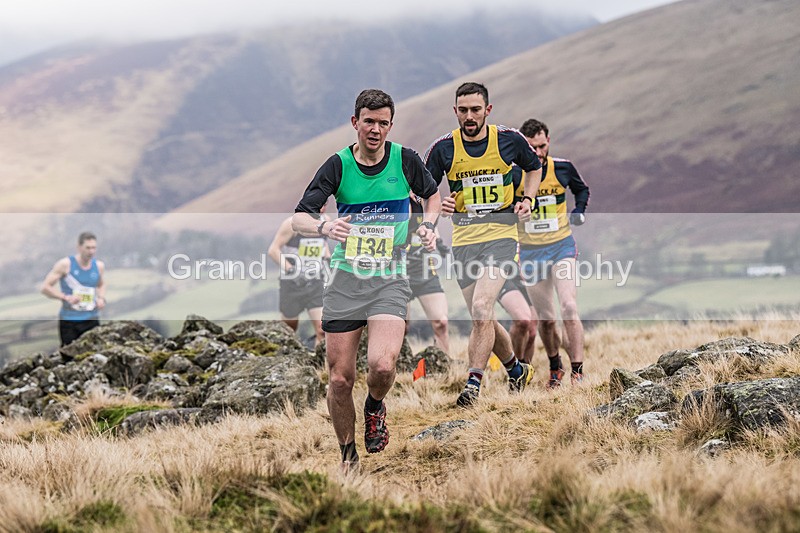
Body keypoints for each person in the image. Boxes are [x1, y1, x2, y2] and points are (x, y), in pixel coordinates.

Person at [293, 89, 441, 471]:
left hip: (389, 277)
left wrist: (428, 224)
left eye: (383, 122)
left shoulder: (405, 160)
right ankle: (348, 454)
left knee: (383, 365)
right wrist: (325, 225)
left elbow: (432, 196)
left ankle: (375, 405)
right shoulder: (338, 166)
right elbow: (300, 217)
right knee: (340, 380)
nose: (375, 129)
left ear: (391, 125)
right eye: (368, 121)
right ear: (355, 122)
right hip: (344, 280)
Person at [425, 82, 541, 407]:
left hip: (502, 236)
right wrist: (439, 209)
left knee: (480, 308)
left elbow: (534, 167)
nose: (469, 116)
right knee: (483, 317)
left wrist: (527, 199)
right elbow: (426, 190)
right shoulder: (443, 148)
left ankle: (473, 384)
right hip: (463, 241)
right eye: (463, 110)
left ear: (487, 110)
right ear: (455, 112)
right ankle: (516, 369)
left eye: (476, 109)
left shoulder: (509, 139)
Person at [517, 118, 590, 388]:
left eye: (542, 146)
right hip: (531, 251)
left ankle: (579, 372)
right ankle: (555, 365)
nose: (538, 153)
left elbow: (581, 189)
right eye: (532, 148)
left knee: (569, 306)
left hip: (561, 245)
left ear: (548, 142)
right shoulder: (515, 175)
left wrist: (578, 210)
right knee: (547, 320)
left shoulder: (562, 167)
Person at [268, 207, 330, 347]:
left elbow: (323, 244)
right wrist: (291, 270)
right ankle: (286, 359)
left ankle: (319, 365)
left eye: (325, 203)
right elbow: (273, 250)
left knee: (322, 330)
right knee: (288, 331)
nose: (322, 208)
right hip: (292, 284)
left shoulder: (326, 221)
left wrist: (329, 260)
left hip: (315, 283)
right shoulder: (291, 224)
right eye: (319, 203)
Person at [40, 231, 106, 346]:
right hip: (70, 320)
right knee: (70, 358)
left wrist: (101, 298)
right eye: (88, 248)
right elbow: (45, 288)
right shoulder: (66, 265)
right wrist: (66, 297)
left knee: (95, 355)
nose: (91, 251)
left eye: (94, 248)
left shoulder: (99, 266)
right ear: (79, 247)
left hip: (91, 318)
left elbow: (101, 284)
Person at [405, 193, 450, 353]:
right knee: (401, 328)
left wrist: (439, 243)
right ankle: (396, 369)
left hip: (425, 271)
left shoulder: (427, 198)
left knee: (441, 322)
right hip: (398, 273)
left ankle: (445, 369)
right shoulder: (396, 196)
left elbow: (432, 223)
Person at [497, 270, 536, 363]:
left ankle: (526, 371)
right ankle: (518, 368)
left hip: (527, 270)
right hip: (502, 270)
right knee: (522, 321)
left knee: (532, 332)